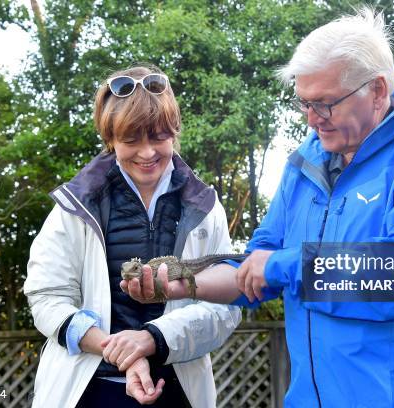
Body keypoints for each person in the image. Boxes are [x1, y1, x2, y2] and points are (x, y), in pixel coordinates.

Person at [122, 8, 394, 408]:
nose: (312, 120)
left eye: (325, 104)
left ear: (377, 90)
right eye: (304, 103)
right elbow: (257, 265)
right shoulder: (307, 160)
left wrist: (284, 266)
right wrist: (184, 284)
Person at [24, 64, 241, 408]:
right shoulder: (75, 206)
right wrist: (122, 350)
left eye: (158, 137)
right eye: (130, 140)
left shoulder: (205, 206)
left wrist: (152, 339)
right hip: (89, 391)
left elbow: (225, 307)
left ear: (174, 131)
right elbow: (47, 296)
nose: (147, 153)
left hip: (179, 389)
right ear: (110, 139)